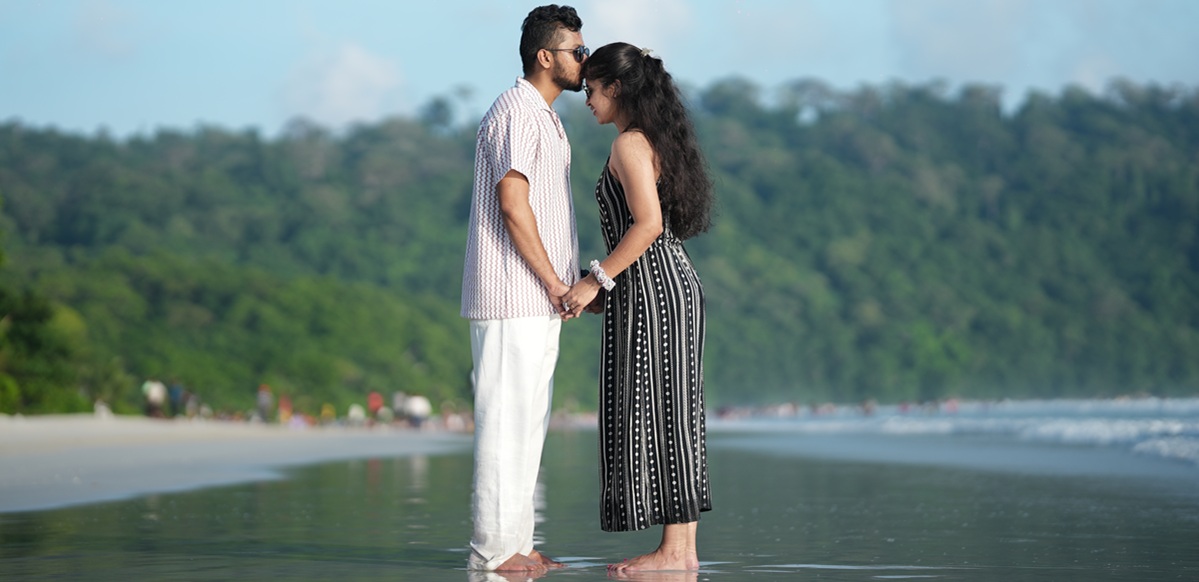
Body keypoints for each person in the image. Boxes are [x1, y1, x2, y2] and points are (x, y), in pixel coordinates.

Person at [560, 42, 715, 573]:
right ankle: (683, 551)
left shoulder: (630, 144)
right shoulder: (648, 140)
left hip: (654, 289)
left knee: (666, 412)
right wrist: (605, 286)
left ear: (617, 88)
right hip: (666, 284)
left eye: (592, 88)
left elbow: (646, 225)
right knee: (676, 412)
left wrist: (594, 281)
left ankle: (675, 550)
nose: (586, 100)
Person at [459, 4, 587, 573]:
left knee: (529, 424)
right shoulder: (516, 111)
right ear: (545, 57)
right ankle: (493, 549)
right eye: (576, 52)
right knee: (504, 424)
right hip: (514, 293)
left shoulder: (545, 116)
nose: (584, 61)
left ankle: (517, 541)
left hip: (537, 300)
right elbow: (513, 205)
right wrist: (558, 281)